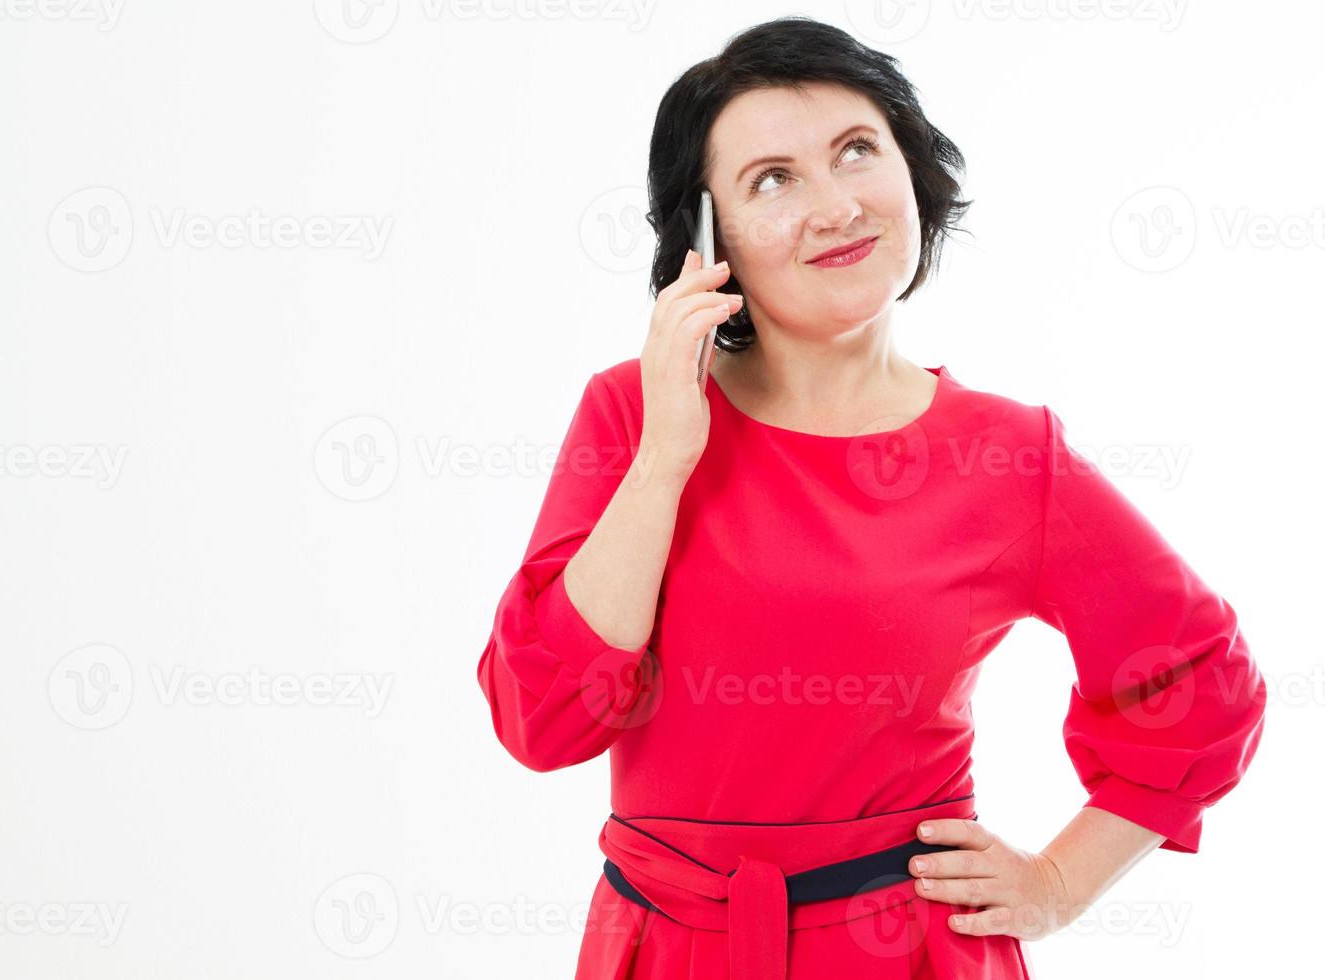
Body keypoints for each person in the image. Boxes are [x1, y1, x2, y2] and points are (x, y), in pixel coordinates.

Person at [476, 16, 1266, 979]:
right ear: (704, 233)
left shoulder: (1012, 456)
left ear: (912, 171)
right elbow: (545, 719)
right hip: (664, 947)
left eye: (857, 151)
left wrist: (1058, 884)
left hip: (908, 952)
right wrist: (665, 459)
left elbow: (1199, 680)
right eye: (772, 178)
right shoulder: (632, 414)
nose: (835, 205)